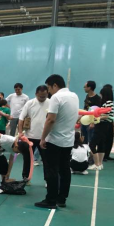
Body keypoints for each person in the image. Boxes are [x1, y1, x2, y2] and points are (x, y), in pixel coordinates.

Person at [35, 74, 79, 209]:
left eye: (49, 88)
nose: (48, 91)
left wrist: (43, 138)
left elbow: (50, 119)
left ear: (54, 85)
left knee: (51, 170)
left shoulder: (56, 97)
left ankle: (51, 199)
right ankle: (62, 198)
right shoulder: (74, 96)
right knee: (65, 170)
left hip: (54, 140)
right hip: (68, 140)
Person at [18, 85, 50, 182]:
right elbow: (21, 118)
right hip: (29, 137)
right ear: (36, 94)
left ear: (47, 94)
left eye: (44, 96)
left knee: (46, 161)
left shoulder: (51, 103)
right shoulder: (30, 103)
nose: (42, 98)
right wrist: (20, 132)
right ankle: (25, 178)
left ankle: (48, 180)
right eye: (40, 96)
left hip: (45, 138)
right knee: (27, 159)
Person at [99, 84, 114, 161]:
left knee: (107, 140)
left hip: (106, 123)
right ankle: (104, 155)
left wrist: (97, 118)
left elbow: (106, 114)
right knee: (104, 140)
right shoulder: (104, 102)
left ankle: (105, 155)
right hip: (103, 122)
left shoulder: (109, 102)